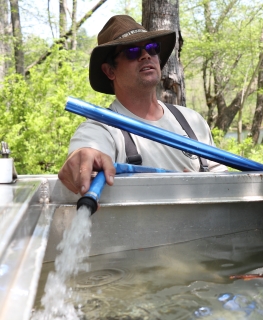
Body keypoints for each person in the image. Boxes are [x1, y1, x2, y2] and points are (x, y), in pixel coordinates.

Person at [58, 15, 227, 195]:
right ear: (109, 71)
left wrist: (204, 187)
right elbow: (87, 149)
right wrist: (83, 155)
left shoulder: (192, 121)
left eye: (152, 48)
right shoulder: (101, 129)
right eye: (132, 51)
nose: (146, 55)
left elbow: (226, 185)